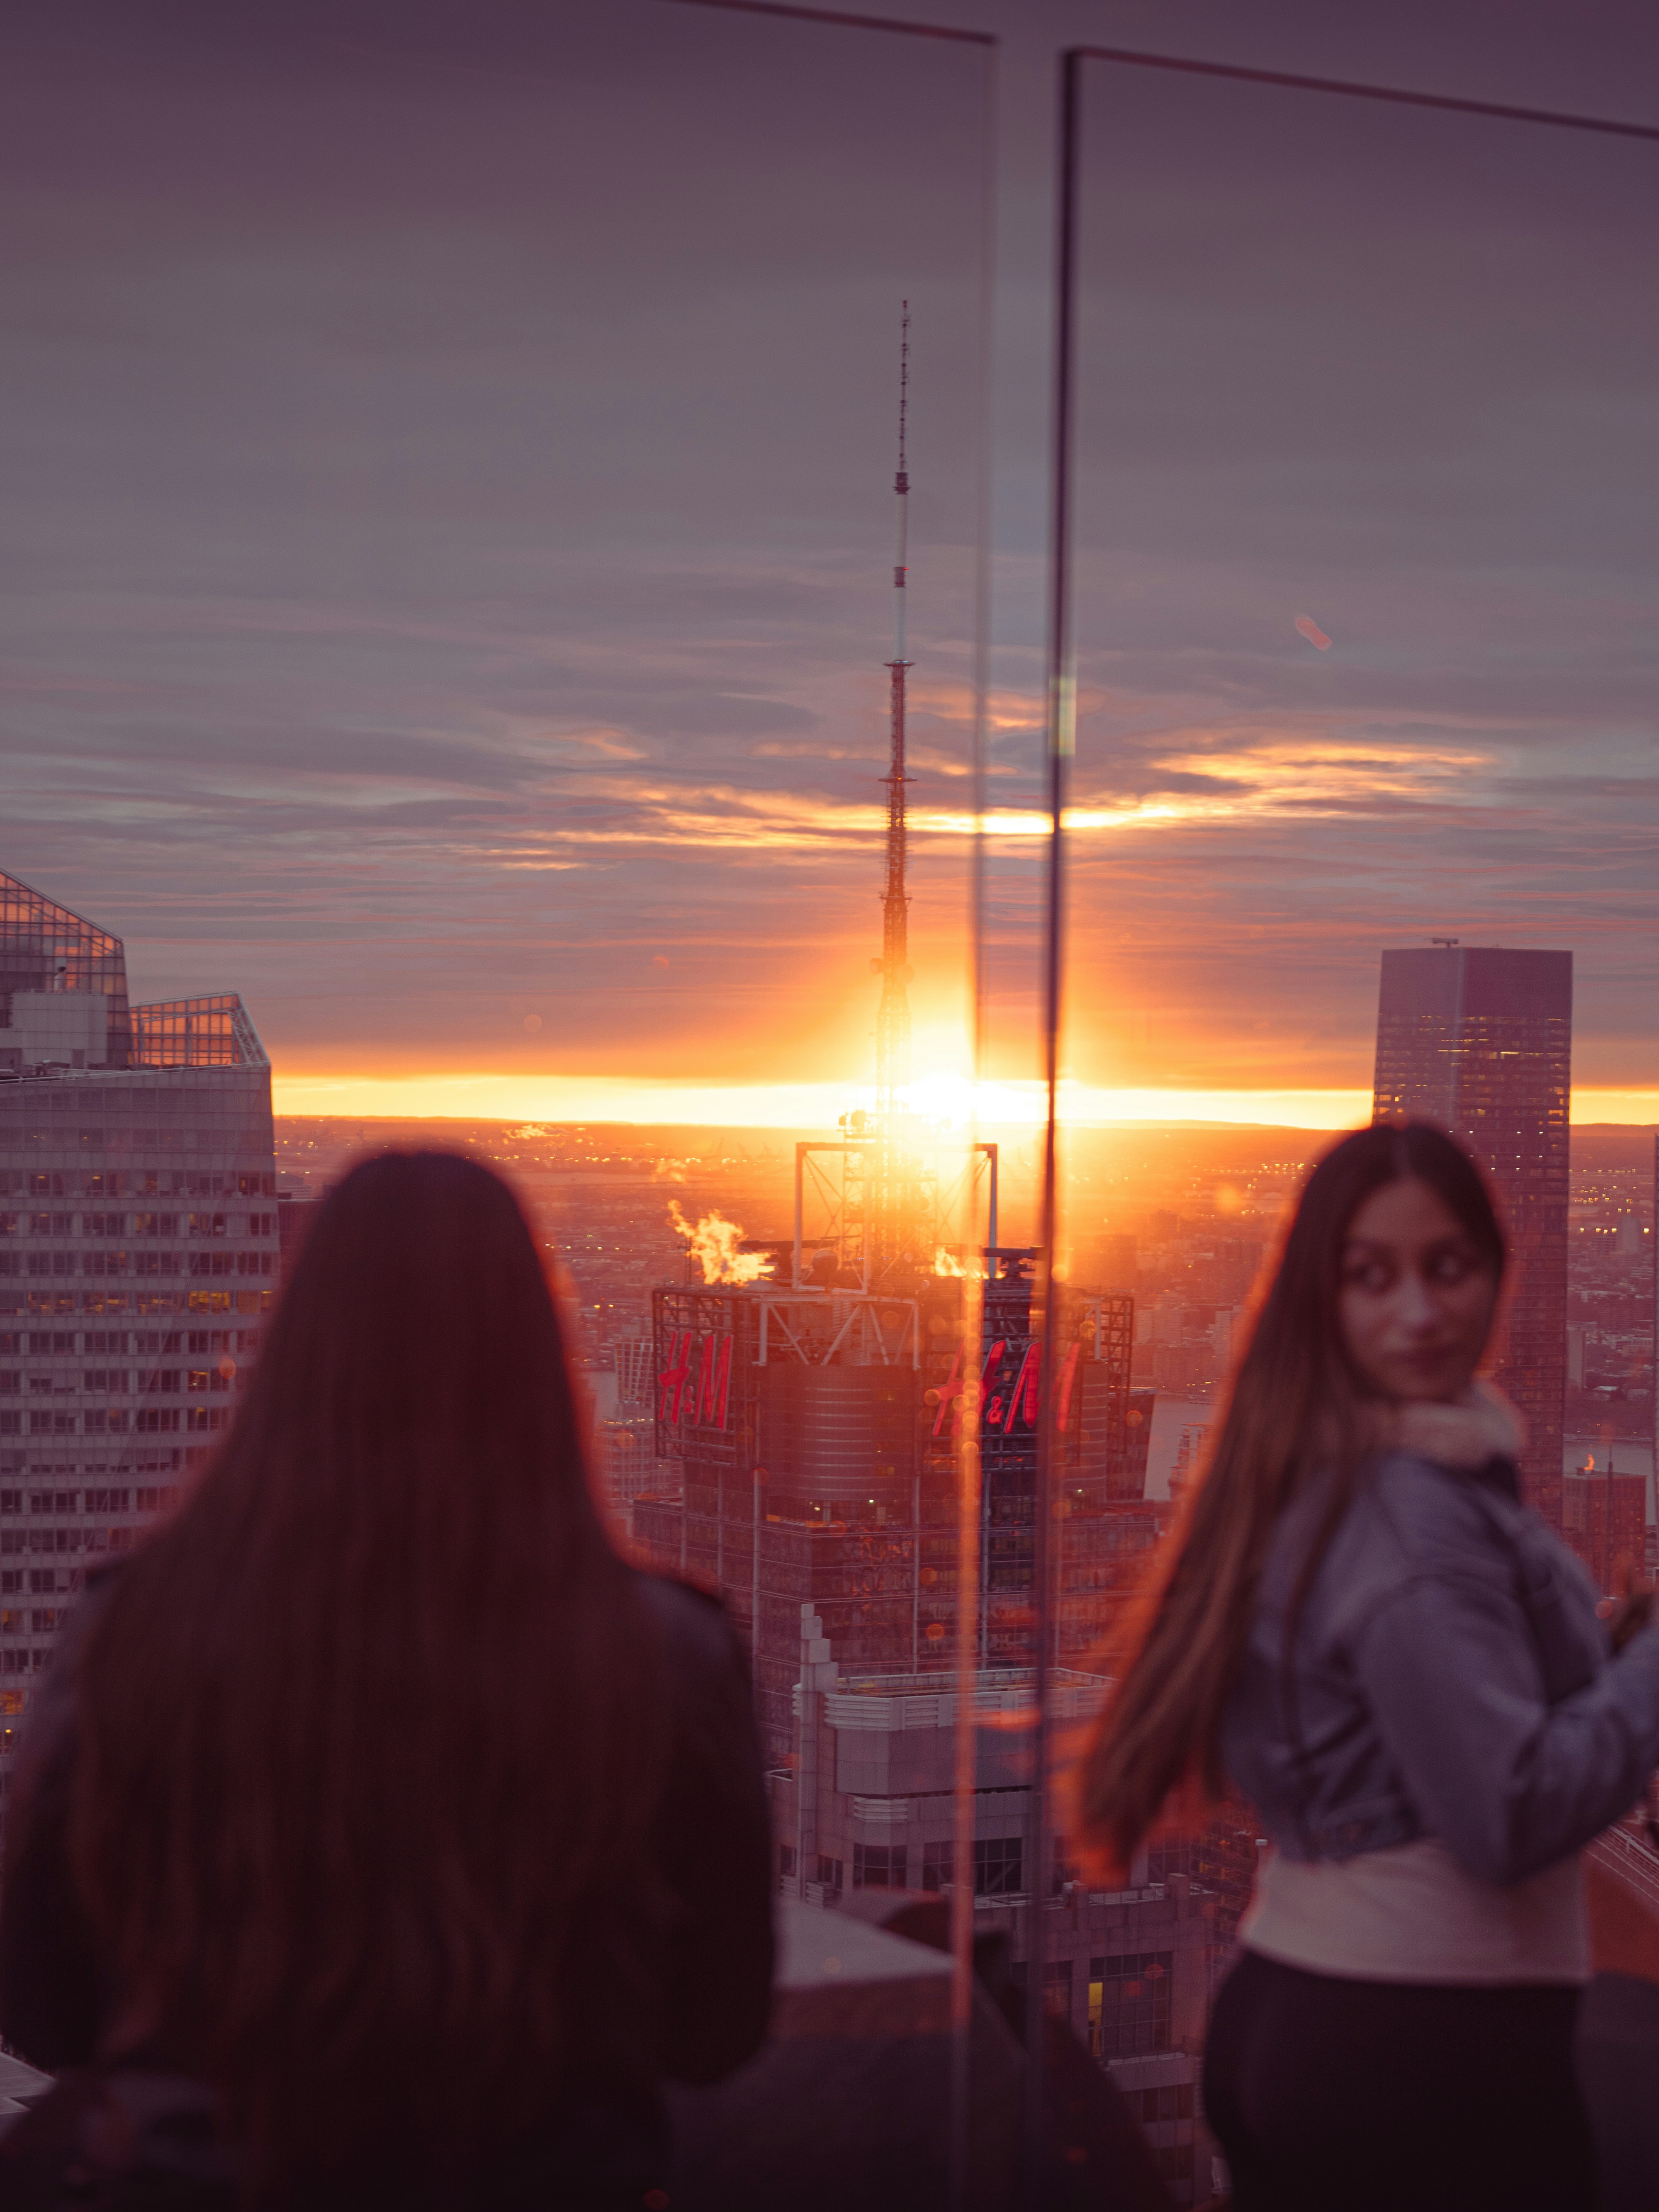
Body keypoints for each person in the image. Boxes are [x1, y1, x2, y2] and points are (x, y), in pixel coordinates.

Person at [0, 1152, 774, 2208]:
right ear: (536, 1360)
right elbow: (716, 2027)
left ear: (290, 1350)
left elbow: (42, 2003)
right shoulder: (667, 1652)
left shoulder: (129, 1629)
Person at [1075, 1121, 1659, 2212]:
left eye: (1447, 1265)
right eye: (1372, 1275)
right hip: (1430, 2046)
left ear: (1497, 1269)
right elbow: (1509, 1807)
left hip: (1329, 2010)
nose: (1421, 1308)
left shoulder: (1338, 1471)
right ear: (1324, 1297)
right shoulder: (1409, 1508)